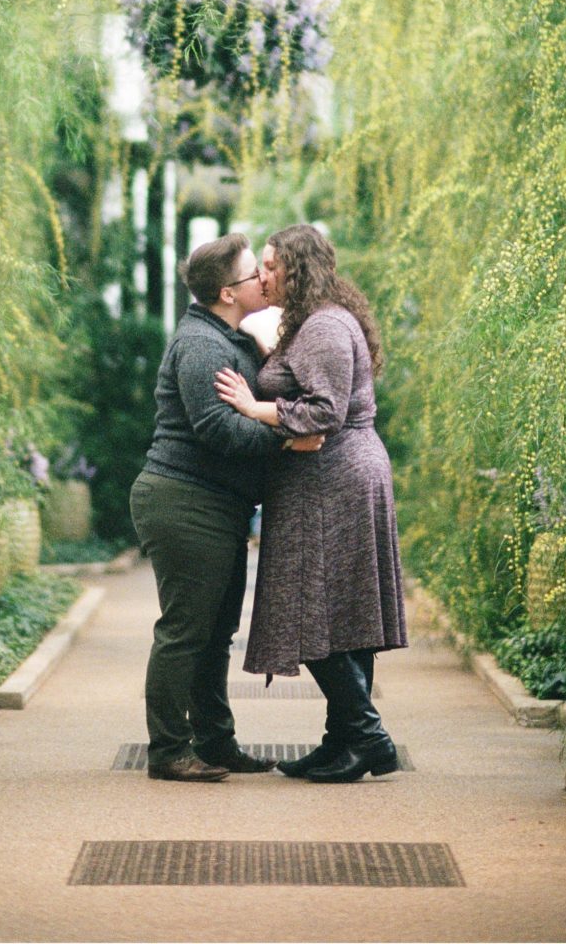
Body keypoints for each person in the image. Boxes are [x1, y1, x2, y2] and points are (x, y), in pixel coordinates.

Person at [215, 223, 408, 783]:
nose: (262, 274)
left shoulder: (324, 325)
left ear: (298, 268)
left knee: (314, 608)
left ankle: (370, 739)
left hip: (335, 481)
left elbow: (324, 411)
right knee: (345, 614)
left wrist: (253, 408)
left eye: (271, 265)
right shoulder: (316, 323)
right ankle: (343, 742)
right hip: (331, 479)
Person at [129, 232, 325, 782]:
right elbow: (217, 429)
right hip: (184, 499)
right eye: (251, 275)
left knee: (215, 634)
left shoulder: (230, 338)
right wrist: (287, 438)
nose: (262, 280)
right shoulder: (201, 346)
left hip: (217, 505)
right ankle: (169, 751)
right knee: (186, 631)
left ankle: (216, 743)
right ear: (226, 292)